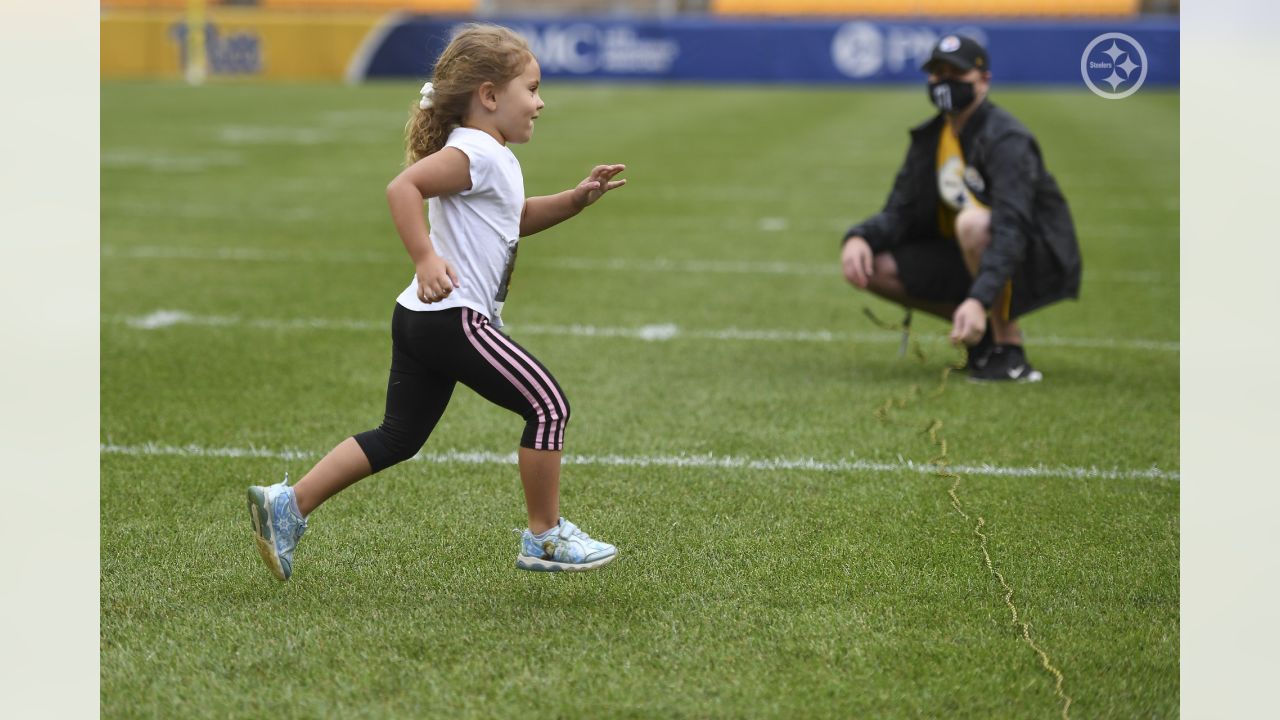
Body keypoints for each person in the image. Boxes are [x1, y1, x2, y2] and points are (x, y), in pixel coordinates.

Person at [246, 24, 627, 580]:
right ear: (490, 96)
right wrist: (426, 259)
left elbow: (513, 220)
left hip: (421, 320)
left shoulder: (486, 154)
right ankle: (544, 537)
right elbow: (403, 188)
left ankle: (288, 505)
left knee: (398, 436)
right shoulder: (477, 152)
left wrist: (575, 198)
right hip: (454, 318)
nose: (540, 102)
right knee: (548, 406)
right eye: (532, 88)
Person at [839, 34, 1081, 382]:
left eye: (957, 74)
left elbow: (1013, 228)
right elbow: (900, 212)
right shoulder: (931, 137)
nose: (944, 82)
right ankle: (978, 337)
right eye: (937, 73)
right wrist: (859, 237)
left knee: (973, 224)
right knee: (871, 264)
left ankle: (1007, 348)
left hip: (1030, 255)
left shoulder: (1006, 138)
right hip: (965, 253)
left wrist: (979, 298)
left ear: (984, 82)